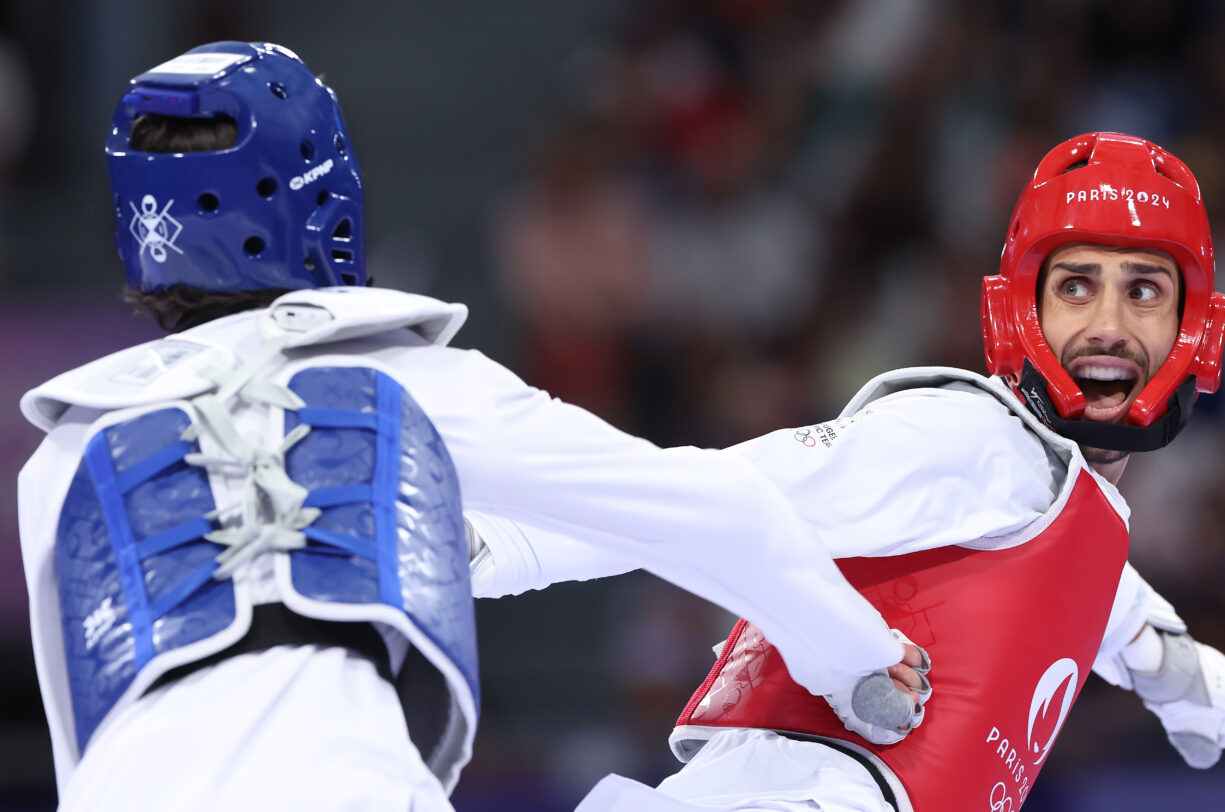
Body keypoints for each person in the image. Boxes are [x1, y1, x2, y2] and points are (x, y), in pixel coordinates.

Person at [15, 41, 930, 812]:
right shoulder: (399, 383)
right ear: (322, 193)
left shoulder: (62, 455)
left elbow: (84, 737)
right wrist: (857, 658)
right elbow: (711, 509)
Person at [465, 133, 1225, 811]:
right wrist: (496, 546)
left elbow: (1123, 617)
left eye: (1143, 290)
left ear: (1195, 325)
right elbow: (708, 500)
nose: (1108, 325)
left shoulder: (1067, 515)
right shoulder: (966, 437)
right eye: (1076, 286)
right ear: (1020, 312)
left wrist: (1198, 688)